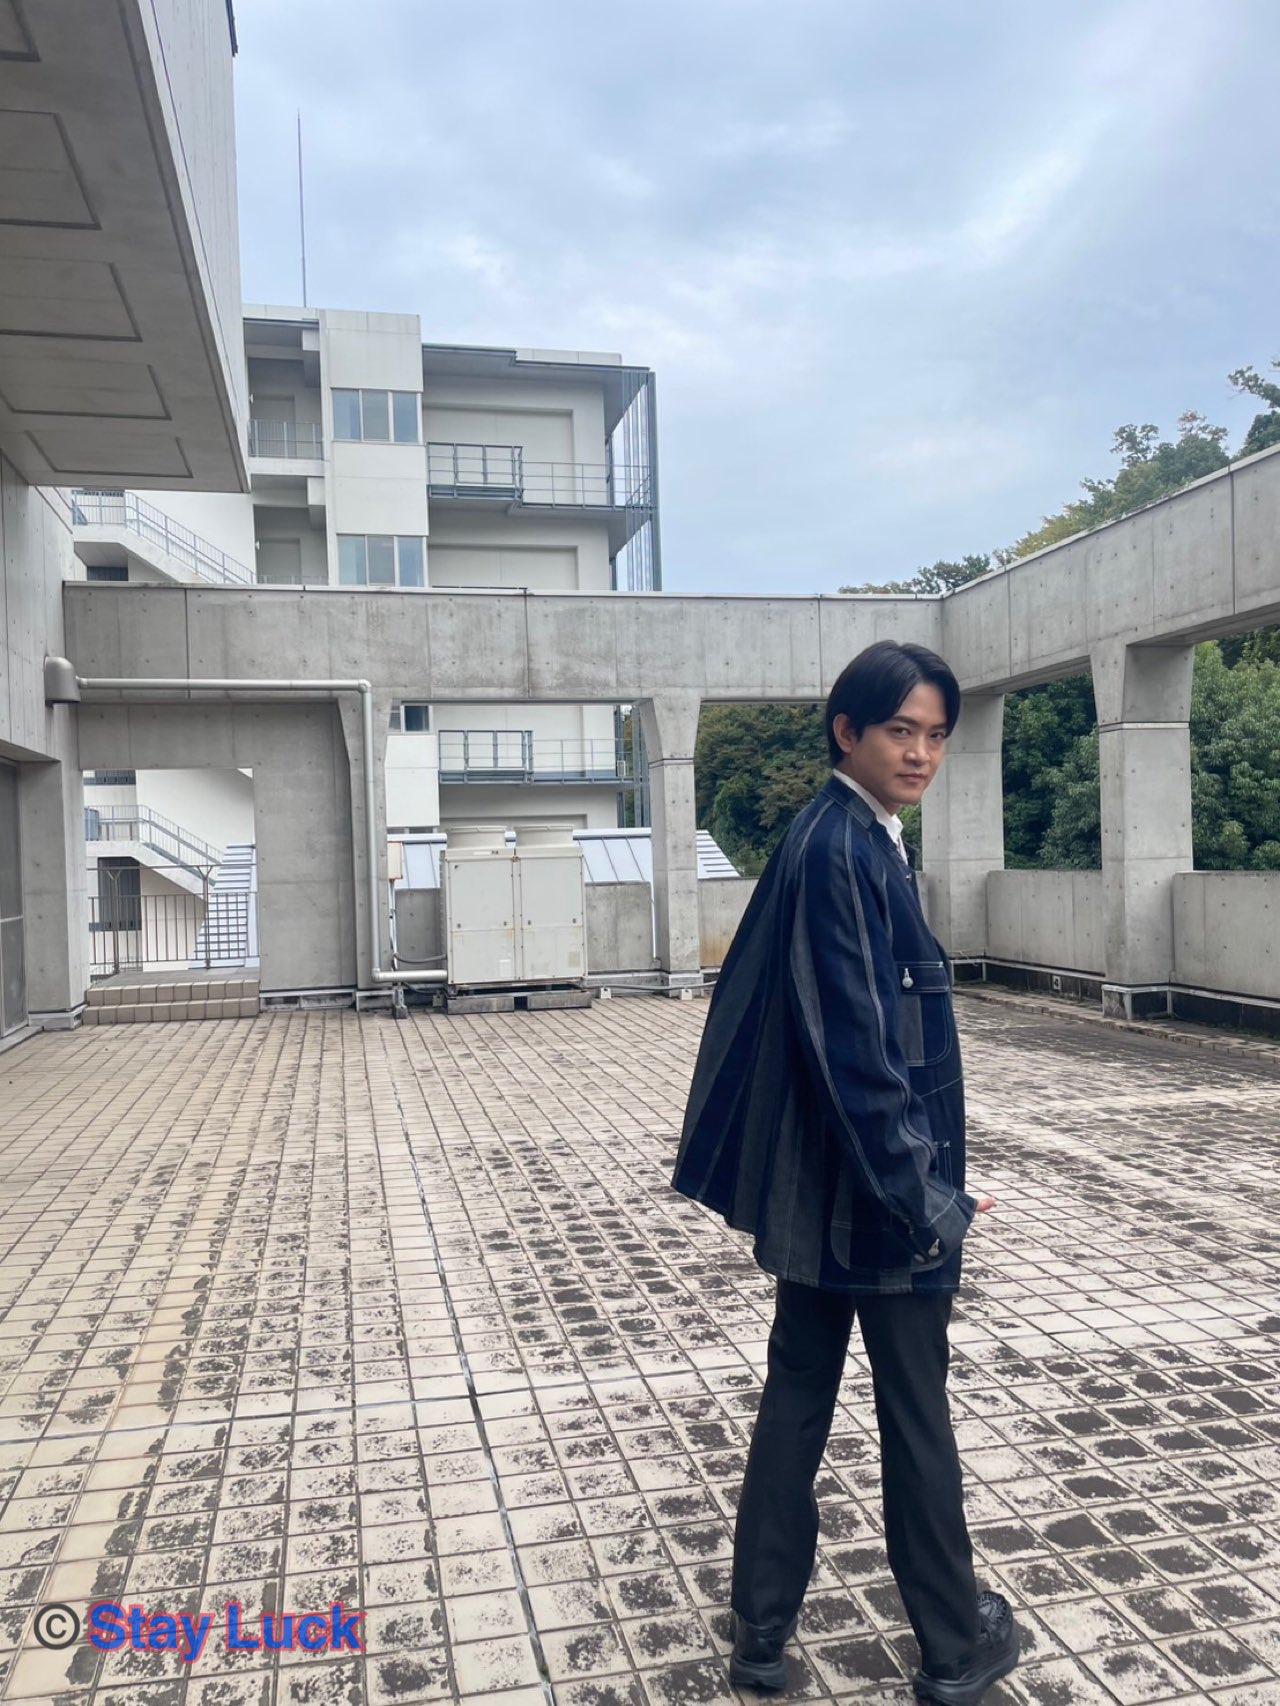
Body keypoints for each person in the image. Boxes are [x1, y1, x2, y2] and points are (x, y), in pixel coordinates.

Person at [672, 641, 1020, 1706]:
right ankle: (953, 1648)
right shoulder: (839, 847)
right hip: (869, 1199)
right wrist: (928, 1200)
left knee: (798, 1396)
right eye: (899, 731)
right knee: (913, 1411)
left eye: (934, 734)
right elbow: (857, 1052)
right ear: (846, 732)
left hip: (821, 1191)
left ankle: (761, 1634)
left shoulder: (851, 836)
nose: (920, 753)